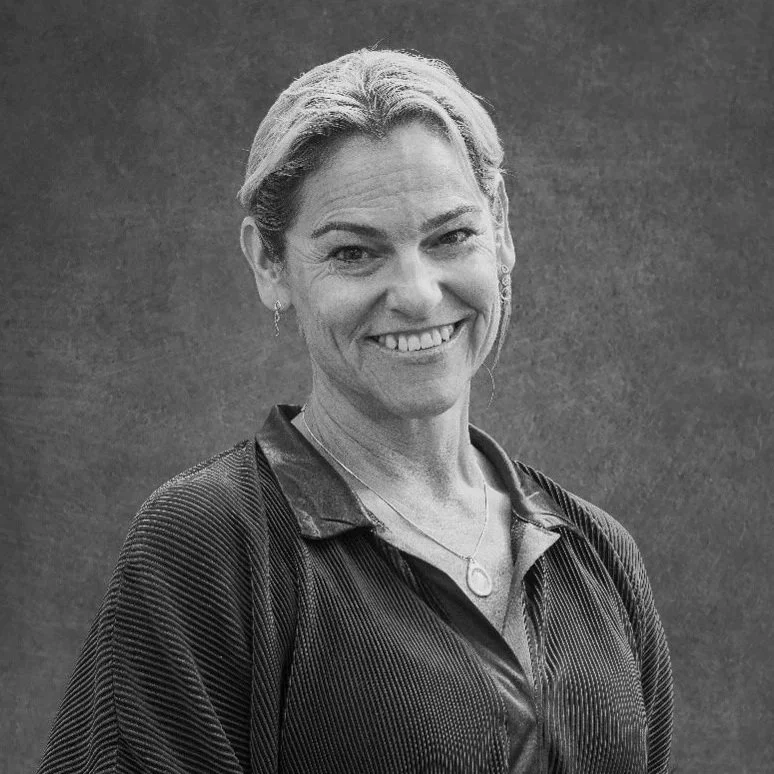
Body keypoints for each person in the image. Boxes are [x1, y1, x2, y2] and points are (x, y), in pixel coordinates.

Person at [38, 49, 673, 774]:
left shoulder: (597, 555)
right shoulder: (211, 545)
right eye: (353, 253)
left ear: (500, 227)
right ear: (269, 265)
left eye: (451, 236)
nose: (419, 294)